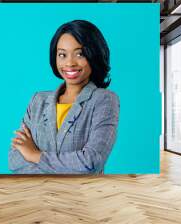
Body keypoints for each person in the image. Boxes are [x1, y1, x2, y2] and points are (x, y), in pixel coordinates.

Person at [8, 20, 120, 174]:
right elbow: (14, 158)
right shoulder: (38, 101)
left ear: (94, 54)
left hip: (81, 195)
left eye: (80, 54)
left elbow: (91, 161)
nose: (69, 63)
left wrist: (35, 155)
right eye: (62, 54)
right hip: (36, 195)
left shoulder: (104, 100)